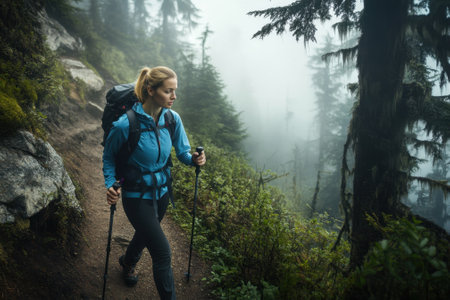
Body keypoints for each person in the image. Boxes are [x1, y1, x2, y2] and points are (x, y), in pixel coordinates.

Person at [102, 66, 206, 300]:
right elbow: (109, 157)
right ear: (150, 90)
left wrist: (195, 160)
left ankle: (127, 262)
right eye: (168, 91)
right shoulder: (125, 125)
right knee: (162, 253)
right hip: (136, 196)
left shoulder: (172, 119)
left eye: (175, 91)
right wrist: (110, 183)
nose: (174, 96)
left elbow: (182, 154)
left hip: (162, 194)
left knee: (145, 233)